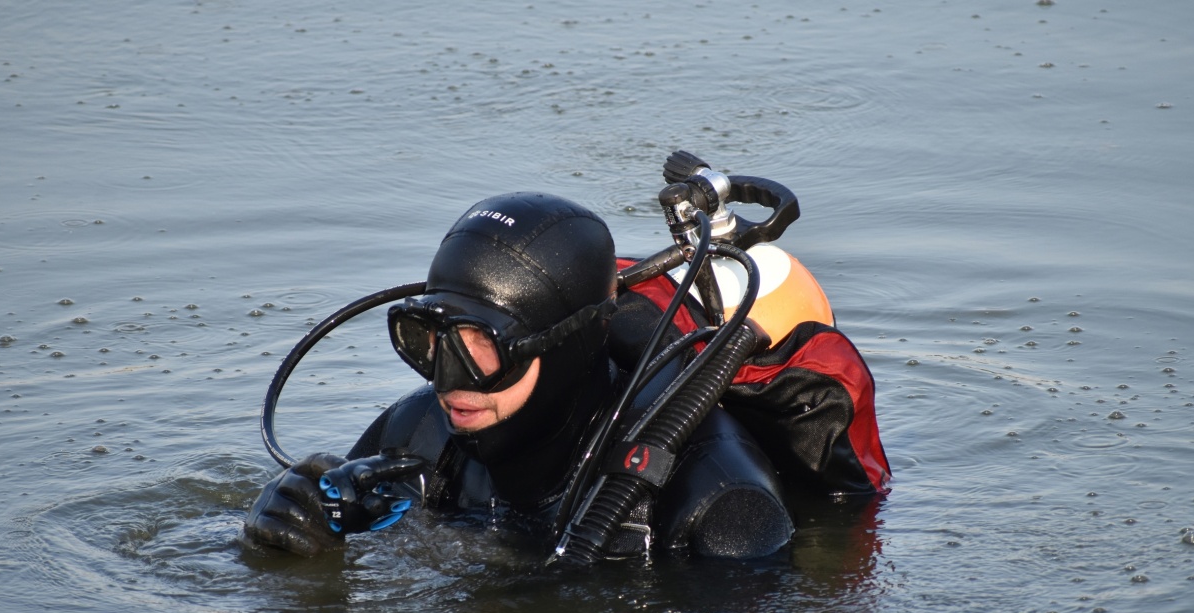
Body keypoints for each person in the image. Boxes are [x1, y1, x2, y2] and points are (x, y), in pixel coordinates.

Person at [244, 192, 890, 560]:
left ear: (570, 349)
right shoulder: (419, 431)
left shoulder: (718, 509)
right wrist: (288, 535)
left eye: (482, 347)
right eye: (429, 340)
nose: (447, 377)